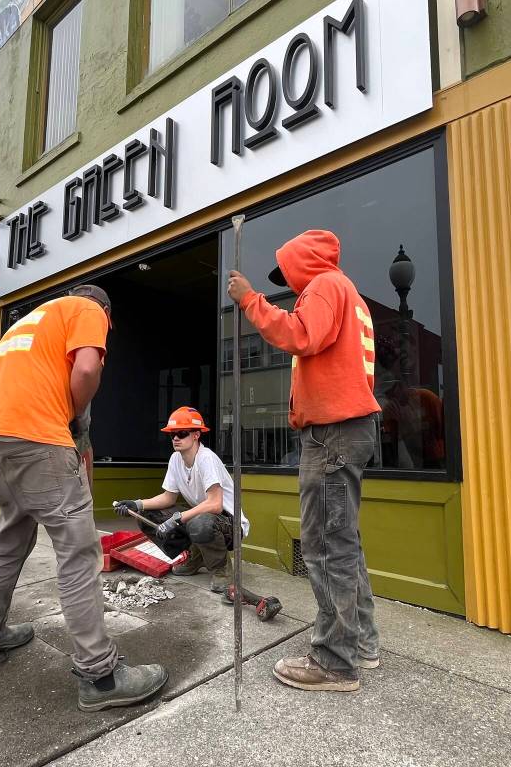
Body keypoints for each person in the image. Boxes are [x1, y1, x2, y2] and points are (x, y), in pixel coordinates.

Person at [0, 284, 168, 713]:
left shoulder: (30, 326)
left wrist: (82, 485)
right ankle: (102, 676)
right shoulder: (88, 309)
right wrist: (71, 415)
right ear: (106, 314)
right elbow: (88, 371)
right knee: (78, 556)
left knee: (10, 541)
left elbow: (82, 444)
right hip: (38, 439)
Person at [227, 229, 381, 693]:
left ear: (303, 264)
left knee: (325, 547)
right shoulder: (345, 293)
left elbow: (300, 334)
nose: (290, 287)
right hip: (345, 431)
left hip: (333, 435)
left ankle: (334, 662)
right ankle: (361, 643)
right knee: (344, 544)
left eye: (288, 273)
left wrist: (250, 299)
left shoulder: (324, 286)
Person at [113, 406, 249, 593]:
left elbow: (215, 505)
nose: (176, 438)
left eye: (182, 433)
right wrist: (136, 504)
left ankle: (222, 570)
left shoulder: (206, 458)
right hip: (203, 519)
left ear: (196, 435)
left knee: (198, 523)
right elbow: (168, 497)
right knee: (145, 514)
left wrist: (177, 518)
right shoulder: (175, 459)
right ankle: (196, 554)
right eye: (172, 434)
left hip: (230, 525)